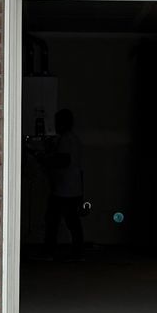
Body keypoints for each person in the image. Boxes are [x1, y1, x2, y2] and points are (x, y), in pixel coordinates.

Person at [43, 108, 86, 258]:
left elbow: (63, 161)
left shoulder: (66, 140)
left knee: (54, 220)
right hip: (71, 188)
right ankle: (77, 249)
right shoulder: (73, 140)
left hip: (63, 189)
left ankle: (51, 249)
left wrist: (47, 159)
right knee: (70, 220)